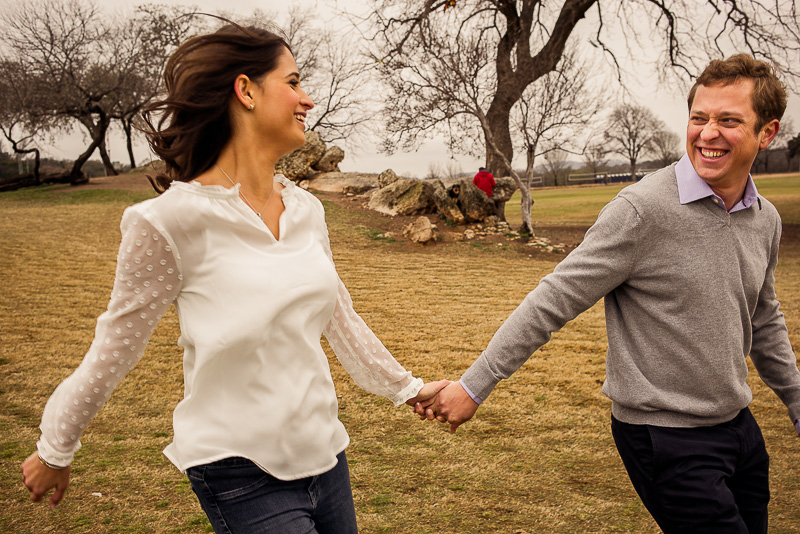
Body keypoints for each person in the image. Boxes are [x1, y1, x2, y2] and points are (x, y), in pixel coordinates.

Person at [20, 22, 448, 533]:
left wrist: (407, 388)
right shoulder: (166, 222)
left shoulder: (307, 209)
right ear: (245, 90)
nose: (307, 99)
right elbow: (115, 349)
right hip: (238, 469)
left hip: (325, 455)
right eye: (292, 82)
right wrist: (56, 446)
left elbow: (340, 318)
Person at [418, 54, 800, 533]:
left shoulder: (764, 218)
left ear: (767, 133)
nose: (706, 133)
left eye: (728, 121)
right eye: (699, 118)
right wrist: (475, 385)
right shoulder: (641, 212)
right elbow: (552, 300)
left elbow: (764, 321)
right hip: (664, 435)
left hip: (739, 427)